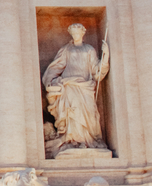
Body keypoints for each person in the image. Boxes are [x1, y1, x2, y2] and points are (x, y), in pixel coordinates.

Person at [42, 23, 109, 153]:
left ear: (83, 33)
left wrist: (105, 57)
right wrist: (51, 81)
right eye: (73, 33)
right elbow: (55, 67)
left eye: (78, 32)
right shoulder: (66, 50)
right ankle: (73, 141)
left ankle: (89, 140)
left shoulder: (89, 50)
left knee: (90, 114)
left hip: (85, 87)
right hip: (70, 86)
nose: (76, 35)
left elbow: (97, 71)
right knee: (72, 114)